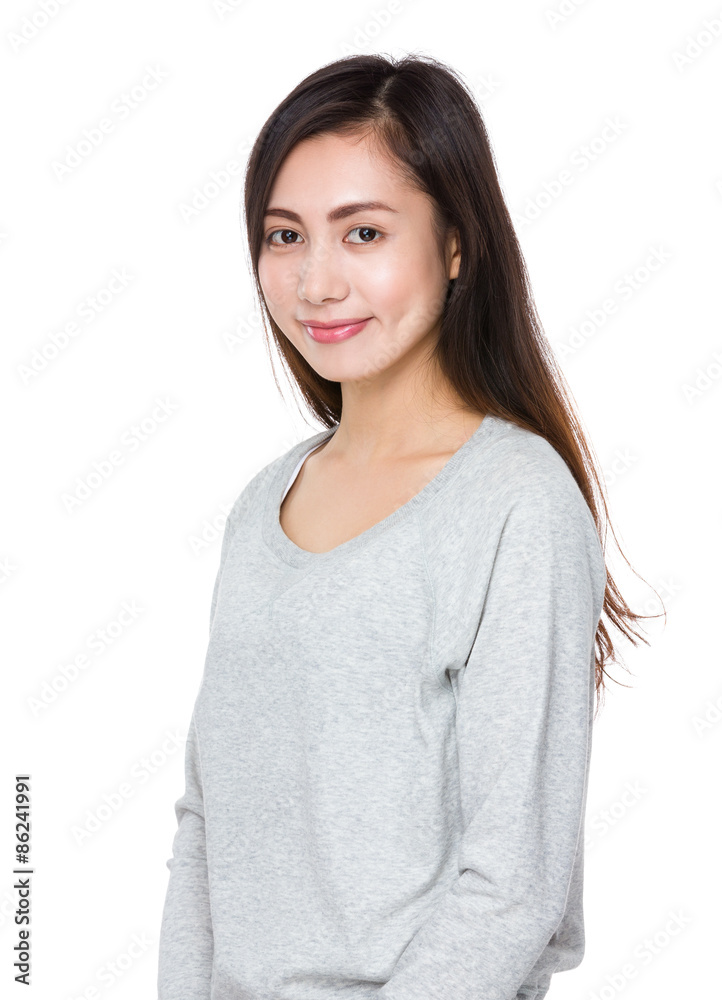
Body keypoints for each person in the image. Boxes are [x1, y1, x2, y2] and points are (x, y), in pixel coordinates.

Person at [157, 52, 662, 1000]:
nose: (316, 282)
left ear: (457, 245)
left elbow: (513, 887)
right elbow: (206, 826)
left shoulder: (515, 503)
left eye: (364, 233)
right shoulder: (262, 504)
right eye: (284, 235)